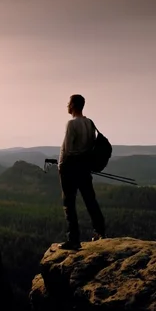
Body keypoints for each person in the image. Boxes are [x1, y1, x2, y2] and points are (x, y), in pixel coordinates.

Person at [57, 94, 105, 250]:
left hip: (70, 168)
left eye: (68, 103)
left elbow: (68, 149)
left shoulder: (71, 124)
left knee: (69, 204)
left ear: (73, 105)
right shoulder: (89, 123)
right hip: (84, 167)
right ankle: (100, 232)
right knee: (90, 200)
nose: (67, 106)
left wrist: (60, 165)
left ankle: (73, 240)